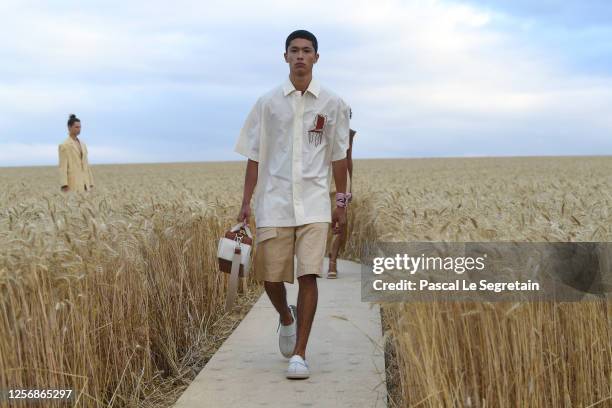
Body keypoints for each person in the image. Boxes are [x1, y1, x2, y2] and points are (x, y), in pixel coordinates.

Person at [235, 29, 350, 380]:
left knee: (308, 274)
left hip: (315, 202)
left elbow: (339, 156)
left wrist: (341, 200)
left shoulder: (332, 103)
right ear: (285, 57)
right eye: (294, 51)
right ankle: (286, 316)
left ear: (316, 57)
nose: (300, 56)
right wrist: (245, 204)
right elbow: (254, 156)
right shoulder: (267, 103)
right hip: (275, 201)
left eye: (307, 51)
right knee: (270, 276)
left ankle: (300, 353)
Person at [327, 111, 356, 279]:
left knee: (340, 221)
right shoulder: (325, 130)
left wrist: (350, 185)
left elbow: (348, 159)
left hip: (339, 180)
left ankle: (333, 263)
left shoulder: (349, 134)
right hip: (320, 178)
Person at [58, 114, 94, 192]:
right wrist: (64, 185)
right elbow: (62, 167)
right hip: (73, 184)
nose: (79, 129)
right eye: (76, 127)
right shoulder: (64, 145)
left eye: (80, 127)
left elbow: (86, 164)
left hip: (85, 183)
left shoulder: (83, 144)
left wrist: (91, 182)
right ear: (69, 127)